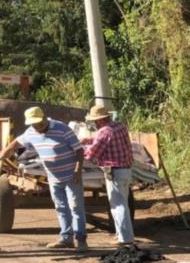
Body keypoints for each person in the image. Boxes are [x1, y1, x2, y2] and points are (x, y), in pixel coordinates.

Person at [0, 106, 87, 251]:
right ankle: (66, 239)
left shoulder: (62, 129)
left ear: (45, 117)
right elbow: (15, 144)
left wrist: (77, 170)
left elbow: (79, 150)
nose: (37, 127)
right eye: (34, 124)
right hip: (53, 177)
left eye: (39, 123)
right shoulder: (31, 132)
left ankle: (81, 240)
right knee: (61, 208)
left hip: (71, 176)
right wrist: (4, 154)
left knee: (76, 207)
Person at [81, 105, 135, 246]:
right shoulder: (120, 126)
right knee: (123, 202)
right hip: (126, 169)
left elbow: (91, 155)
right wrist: (88, 141)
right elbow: (106, 142)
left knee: (118, 205)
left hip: (114, 171)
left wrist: (80, 149)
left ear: (98, 120)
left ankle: (125, 238)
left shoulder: (103, 132)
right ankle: (122, 235)